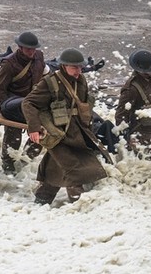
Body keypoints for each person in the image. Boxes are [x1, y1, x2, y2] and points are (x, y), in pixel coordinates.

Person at [22, 48, 112, 205]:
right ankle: (78, 205)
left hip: (78, 132)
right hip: (58, 134)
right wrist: (34, 128)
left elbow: (84, 105)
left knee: (57, 165)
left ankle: (42, 199)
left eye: (80, 67)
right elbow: (28, 103)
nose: (78, 71)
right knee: (74, 168)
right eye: (74, 67)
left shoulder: (81, 81)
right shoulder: (50, 83)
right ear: (63, 66)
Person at [0, 32, 46, 174]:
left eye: (33, 49)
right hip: (13, 104)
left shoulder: (39, 57)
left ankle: (25, 161)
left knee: (43, 129)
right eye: (28, 49)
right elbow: (1, 88)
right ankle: (8, 164)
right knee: (13, 136)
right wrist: (4, 110)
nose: (31, 52)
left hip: (32, 102)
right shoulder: (10, 63)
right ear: (20, 48)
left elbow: (45, 75)